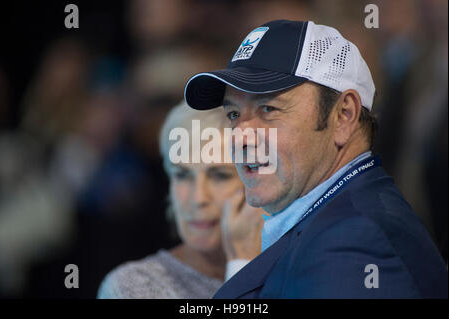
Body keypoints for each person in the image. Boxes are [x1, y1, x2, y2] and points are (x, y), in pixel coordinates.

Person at [184, 20, 448, 298]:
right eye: (234, 114)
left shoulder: (354, 243)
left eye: (268, 108)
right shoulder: (339, 223)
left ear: (344, 115)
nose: (240, 137)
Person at [97, 101, 264, 299]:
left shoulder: (293, 268)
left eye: (219, 175)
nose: (198, 198)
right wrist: (242, 267)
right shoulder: (132, 286)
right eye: (183, 175)